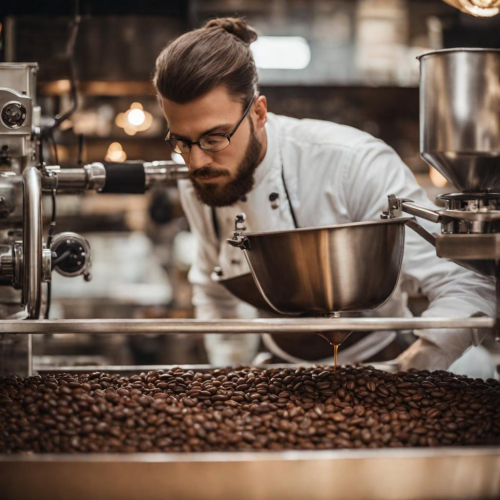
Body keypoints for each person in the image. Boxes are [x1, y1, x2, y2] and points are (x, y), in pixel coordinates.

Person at [153, 17, 495, 371]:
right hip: (281, 372)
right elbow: (215, 293)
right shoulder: (199, 178)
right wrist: (231, 377)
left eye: (214, 138)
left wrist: (408, 371)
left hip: (385, 361)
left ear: (258, 114)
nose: (195, 162)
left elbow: (466, 283)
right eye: (182, 141)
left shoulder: (353, 163)